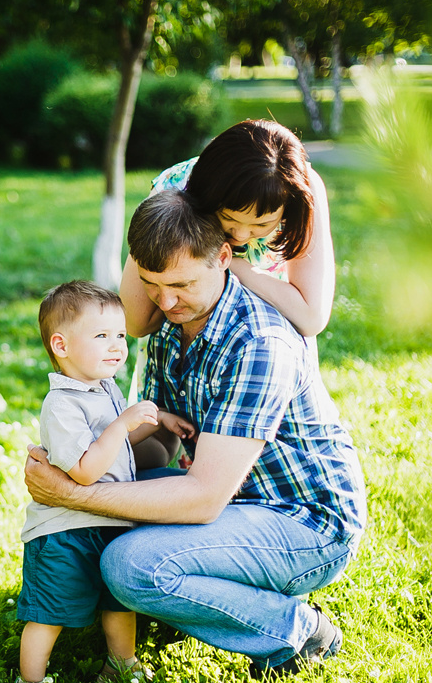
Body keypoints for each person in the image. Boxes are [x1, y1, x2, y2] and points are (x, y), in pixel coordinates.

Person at [25, 191, 366, 679]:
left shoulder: (258, 341)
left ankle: (297, 630)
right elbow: (163, 447)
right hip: (238, 500)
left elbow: (202, 498)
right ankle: (217, 586)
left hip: (304, 523)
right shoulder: (171, 324)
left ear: (223, 257)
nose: (164, 302)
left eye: (181, 284)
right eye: (150, 284)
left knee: (129, 566)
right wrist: (87, 447)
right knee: (122, 520)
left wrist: (74, 494)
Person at [122, 119, 335, 469]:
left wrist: (228, 265)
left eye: (261, 226)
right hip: (184, 329)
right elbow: (137, 318)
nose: (240, 235)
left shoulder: (301, 189)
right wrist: (185, 282)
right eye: (229, 219)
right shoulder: (179, 184)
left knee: (251, 452)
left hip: (262, 340)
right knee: (168, 439)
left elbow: (311, 316)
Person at [16, 281, 194, 683]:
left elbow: (109, 445)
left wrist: (155, 421)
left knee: (118, 603)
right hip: (66, 532)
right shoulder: (61, 405)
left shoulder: (104, 387)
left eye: (119, 335)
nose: (117, 346)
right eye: (101, 336)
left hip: (110, 518)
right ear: (61, 345)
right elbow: (84, 469)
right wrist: (122, 423)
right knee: (49, 612)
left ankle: (122, 664)